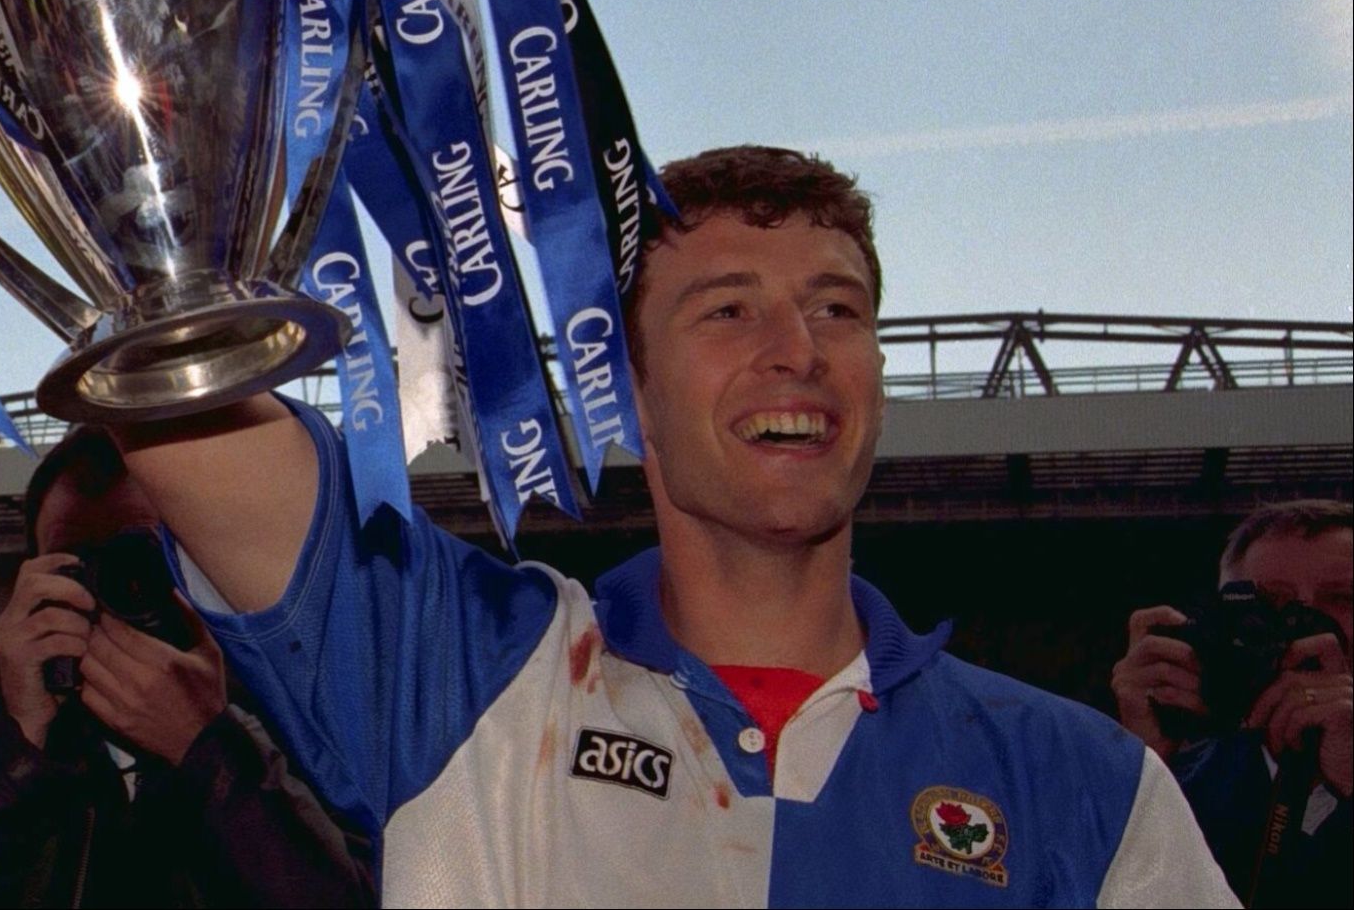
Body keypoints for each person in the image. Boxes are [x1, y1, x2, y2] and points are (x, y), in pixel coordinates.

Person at [111, 145, 1235, 906]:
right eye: (729, 308)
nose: (798, 347)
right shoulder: (476, 679)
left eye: (837, 308)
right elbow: (180, 400)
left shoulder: (1090, 786)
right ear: (629, 395)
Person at [0, 427, 373, 906]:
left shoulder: (308, 736)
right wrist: (12, 745)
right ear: (33, 582)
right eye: (78, 565)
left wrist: (210, 749)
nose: (113, 590)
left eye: (140, 559)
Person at [1112, 499, 1352, 906]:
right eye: (1274, 601)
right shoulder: (1170, 786)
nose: (1310, 621)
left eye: (1343, 598)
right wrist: (1129, 768)